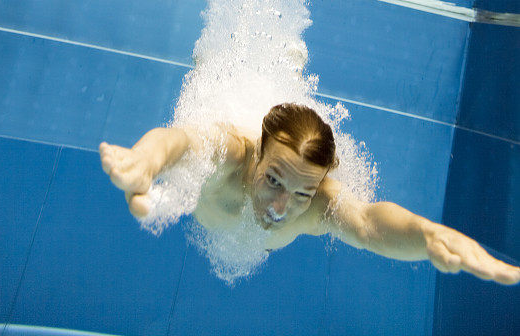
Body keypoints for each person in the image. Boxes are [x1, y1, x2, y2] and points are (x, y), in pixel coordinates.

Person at [99, 103, 520, 284]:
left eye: (303, 194)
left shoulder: (317, 206)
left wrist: (430, 238)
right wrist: (145, 162)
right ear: (259, 156)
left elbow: (369, 223)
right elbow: (182, 142)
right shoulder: (233, 153)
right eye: (274, 180)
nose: (282, 208)